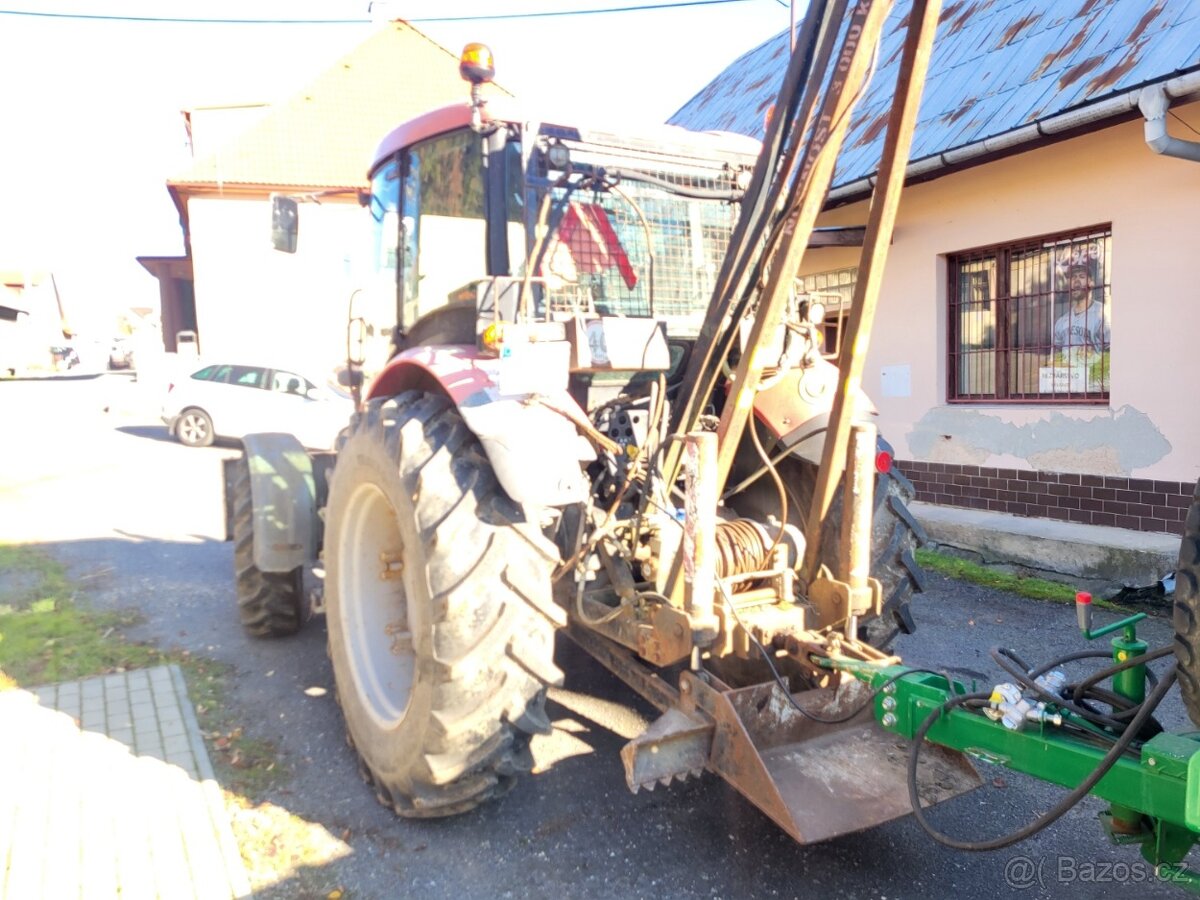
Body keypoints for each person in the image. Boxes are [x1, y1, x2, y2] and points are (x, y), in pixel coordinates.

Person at [1053, 261, 1109, 354]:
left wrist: (1095, 359)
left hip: (1093, 368)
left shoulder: (1103, 313)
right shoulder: (1061, 321)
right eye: (1073, 277)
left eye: (1082, 276)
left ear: (1091, 283)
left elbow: (1112, 350)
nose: (1076, 280)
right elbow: (1056, 354)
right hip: (1066, 368)